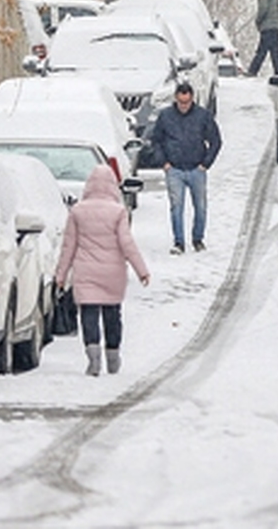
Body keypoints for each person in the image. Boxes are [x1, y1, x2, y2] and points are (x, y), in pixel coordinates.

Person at [55, 165, 150, 376]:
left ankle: (93, 356)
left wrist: (61, 275)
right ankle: (113, 356)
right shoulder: (118, 212)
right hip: (112, 272)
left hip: (85, 272)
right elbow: (127, 244)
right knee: (112, 314)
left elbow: (68, 246)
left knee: (88, 313)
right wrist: (141, 270)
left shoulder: (77, 211)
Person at [149, 82, 222, 255]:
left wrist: (205, 164)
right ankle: (179, 241)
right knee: (176, 206)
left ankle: (198, 239)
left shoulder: (202, 116)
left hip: (197, 168)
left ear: (192, 99)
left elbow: (216, 141)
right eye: (181, 102)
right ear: (176, 98)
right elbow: (156, 140)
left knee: (201, 206)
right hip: (174, 168)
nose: (184, 106)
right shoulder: (166, 116)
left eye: (187, 102)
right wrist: (164, 163)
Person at [247, 0, 278, 77]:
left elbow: (263, 10)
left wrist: (257, 21)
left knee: (261, 51)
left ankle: (253, 70)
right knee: (275, 52)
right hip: (277, 27)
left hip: (268, 27)